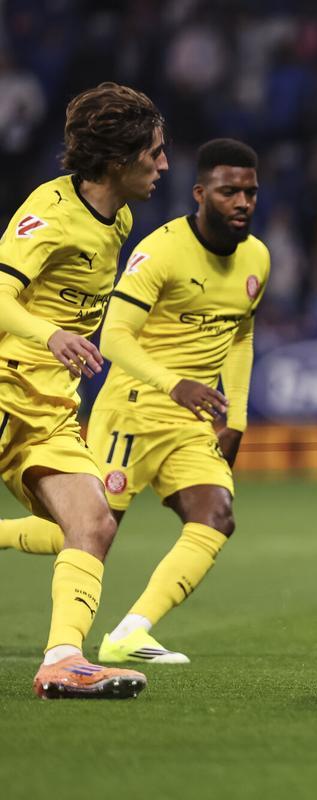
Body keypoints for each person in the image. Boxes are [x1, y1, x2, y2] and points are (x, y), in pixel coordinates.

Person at [0, 138, 268, 663]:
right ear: (201, 193)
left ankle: (122, 636)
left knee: (212, 516)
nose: (242, 202)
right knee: (85, 529)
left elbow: (242, 335)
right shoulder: (158, 250)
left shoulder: (253, 256)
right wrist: (173, 382)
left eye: (251, 192)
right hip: (131, 408)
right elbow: (115, 336)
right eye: (229, 191)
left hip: (176, 417)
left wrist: (234, 413)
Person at [0, 83, 167, 698]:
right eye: (155, 152)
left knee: (92, 523)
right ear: (118, 162)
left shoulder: (119, 216)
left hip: (46, 412)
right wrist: (53, 337)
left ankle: (63, 661)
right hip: (3, 389)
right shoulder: (49, 215)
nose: (165, 164)